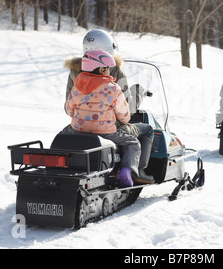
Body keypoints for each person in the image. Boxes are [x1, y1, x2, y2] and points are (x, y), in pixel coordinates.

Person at [64, 31, 155, 183]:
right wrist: (138, 91)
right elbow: (128, 112)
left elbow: (68, 108)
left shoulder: (76, 73)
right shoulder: (114, 73)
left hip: (80, 127)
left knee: (64, 134)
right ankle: (136, 171)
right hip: (110, 129)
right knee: (147, 130)